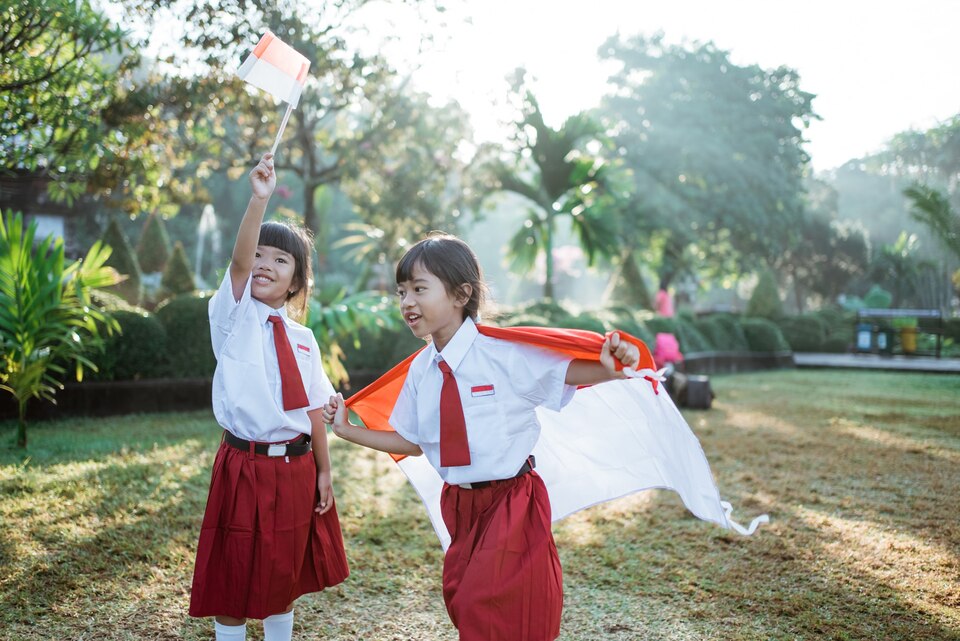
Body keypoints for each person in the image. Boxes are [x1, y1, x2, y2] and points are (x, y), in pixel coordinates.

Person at [321, 232, 642, 641]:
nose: (406, 302)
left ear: (461, 294)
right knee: (462, 600)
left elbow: (570, 372)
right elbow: (417, 441)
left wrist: (613, 366)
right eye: (402, 291)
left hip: (513, 499)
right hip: (460, 504)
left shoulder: (504, 354)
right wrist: (348, 431)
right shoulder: (421, 371)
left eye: (420, 289)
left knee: (490, 608)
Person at [189, 153, 349, 641]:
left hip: (296, 468)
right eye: (260, 254)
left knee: (284, 576)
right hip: (244, 464)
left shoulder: (303, 338)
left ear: (297, 281)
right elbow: (238, 262)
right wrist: (258, 200)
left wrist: (324, 471)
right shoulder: (233, 316)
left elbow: (312, 410)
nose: (264, 264)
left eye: (280, 259)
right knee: (234, 575)